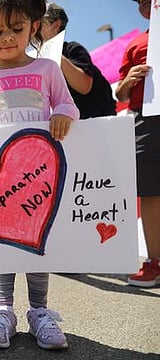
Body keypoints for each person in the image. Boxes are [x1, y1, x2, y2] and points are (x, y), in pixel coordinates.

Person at [0, 0, 79, 350]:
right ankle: (3, 310)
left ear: (34, 29)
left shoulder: (47, 69)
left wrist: (64, 116)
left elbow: (68, 105)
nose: (7, 37)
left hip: (39, 173)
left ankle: (39, 311)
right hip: (0, 180)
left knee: (38, 243)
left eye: (16, 29)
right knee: (4, 242)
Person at [116, 0, 159, 287]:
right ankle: (154, 262)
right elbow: (119, 94)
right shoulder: (136, 43)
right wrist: (130, 80)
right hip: (147, 118)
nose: (143, 3)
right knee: (150, 191)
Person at [41, 3, 116, 119]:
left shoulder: (73, 50)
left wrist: (55, 55)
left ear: (55, 25)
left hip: (97, 123)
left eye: (40, 22)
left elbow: (84, 86)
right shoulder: (36, 60)